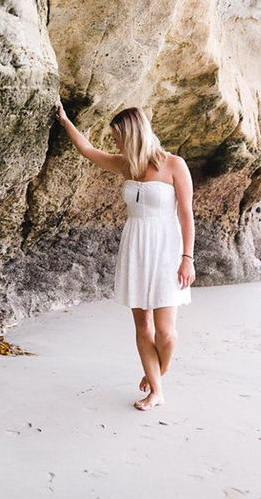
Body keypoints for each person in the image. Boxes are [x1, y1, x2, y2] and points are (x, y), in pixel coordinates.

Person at [55, 102, 196, 411]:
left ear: (132, 135)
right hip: (135, 246)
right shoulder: (126, 165)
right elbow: (88, 150)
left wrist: (188, 257)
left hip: (167, 249)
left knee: (167, 332)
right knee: (143, 326)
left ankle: (160, 370)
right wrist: (65, 121)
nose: (115, 144)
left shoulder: (175, 165)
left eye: (118, 137)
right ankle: (156, 390)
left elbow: (186, 214)